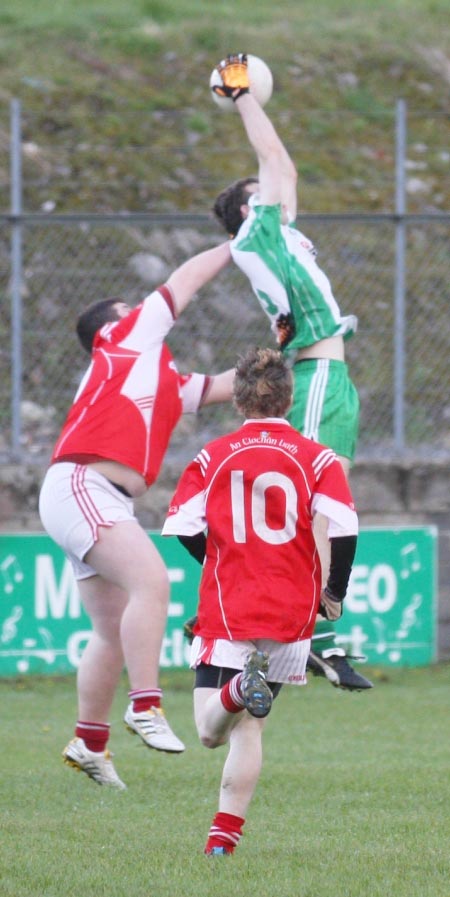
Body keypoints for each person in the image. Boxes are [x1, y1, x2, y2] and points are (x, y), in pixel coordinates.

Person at [39, 240, 235, 789]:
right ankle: (145, 706)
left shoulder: (159, 377)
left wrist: (292, 355)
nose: (144, 311)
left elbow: (226, 386)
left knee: (110, 628)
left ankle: (89, 744)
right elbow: (187, 279)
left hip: (93, 493)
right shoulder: (122, 338)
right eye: (132, 308)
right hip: (83, 482)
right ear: (113, 326)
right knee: (152, 581)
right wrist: (241, 242)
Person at [210, 53, 372, 692]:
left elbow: (282, 173)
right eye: (260, 195)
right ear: (249, 211)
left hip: (337, 381)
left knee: (335, 507)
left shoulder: (279, 234)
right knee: (317, 507)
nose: (274, 192)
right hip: (318, 378)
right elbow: (278, 164)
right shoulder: (255, 236)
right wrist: (243, 96)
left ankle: (315, 628)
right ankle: (314, 636)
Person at [162, 347, 359, 855]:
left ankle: (233, 691)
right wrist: (332, 593)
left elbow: (181, 526)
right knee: (251, 726)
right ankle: (222, 841)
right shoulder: (318, 458)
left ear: (238, 401)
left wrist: (218, 558)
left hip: (232, 605)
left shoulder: (212, 455)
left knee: (211, 730)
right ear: (289, 400)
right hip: (293, 611)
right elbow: (345, 527)